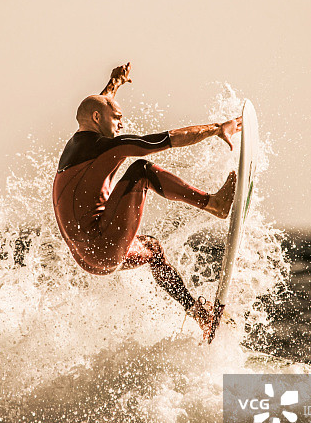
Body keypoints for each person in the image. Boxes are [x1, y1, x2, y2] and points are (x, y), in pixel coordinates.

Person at [52, 62, 242, 337]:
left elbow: (101, 106)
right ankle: (213, 204)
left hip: (87, 258)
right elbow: (164, 140)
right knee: (141, 170)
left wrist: (114, 84)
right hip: (102, 246)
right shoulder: (103, 146)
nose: (122, 123)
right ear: (97, 118)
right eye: (117, 117)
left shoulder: (77, 145)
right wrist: (216, 128)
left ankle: (197, 312)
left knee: (152, 250)